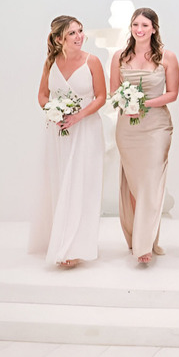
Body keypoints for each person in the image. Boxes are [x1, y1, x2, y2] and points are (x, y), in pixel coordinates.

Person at [30, 15, 106, 267]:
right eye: (72, 33)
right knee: (61, 181)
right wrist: (53, 110)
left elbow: (101, 97)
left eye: (81, 31)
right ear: (59, 38)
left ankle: (75, 246)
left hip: (86, 130)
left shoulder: (92, 61)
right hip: (57, 131)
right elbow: (42, 95)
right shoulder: (50, 62)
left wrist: (77, 117)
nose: (79, 36)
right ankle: (58, 238)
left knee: (82, 184)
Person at [110, 8, 179, 264]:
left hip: (156, 127)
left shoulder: (167, 57)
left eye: (145, 25)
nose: (139, 29)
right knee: (134, 184)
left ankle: (144, 244)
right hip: (128, 127)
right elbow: (113, 92)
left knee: (150, 182)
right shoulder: (119, 56)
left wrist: (145, 103)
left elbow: (172, 93)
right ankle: (135, 237)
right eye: (135, 24)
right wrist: (127, 103)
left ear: (154, 28)